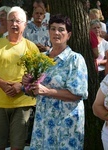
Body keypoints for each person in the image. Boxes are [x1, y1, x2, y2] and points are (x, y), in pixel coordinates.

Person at [22, 14, 88, 149]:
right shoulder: (41, 58)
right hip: (43, 122)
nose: (56, 32)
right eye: (53, 28)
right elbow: (34, 92)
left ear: (68, 35)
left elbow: (77, 94)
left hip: (66, 123)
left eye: (61, 29)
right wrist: (28, 85)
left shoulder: (75, 59)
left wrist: (46, 91)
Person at [0, 6, 39, 150]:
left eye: (18, 21)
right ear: (6, 22)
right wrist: (1, 84)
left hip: (23, 103)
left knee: (18, 145)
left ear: (25, 25)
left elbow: (38, 76)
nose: (14, 24)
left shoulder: (31, 48)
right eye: (11, 20)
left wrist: (21, 86)